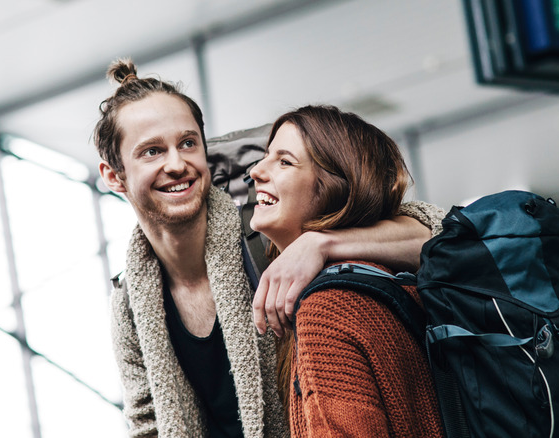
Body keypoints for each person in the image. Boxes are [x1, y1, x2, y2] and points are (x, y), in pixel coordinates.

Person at [94, 59, 444, 438]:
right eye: (152, 152)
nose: (177, 164)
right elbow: (147, 422)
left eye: (188, 143)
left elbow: (439, 232)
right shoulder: (131, 303)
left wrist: (321, 243)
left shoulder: (267, 232)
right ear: (114, 176)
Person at [249, 105, 446, 437]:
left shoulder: (327, 309)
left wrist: (319, 243)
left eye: (285, 161)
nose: (256, 171)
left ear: (332, 189)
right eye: (266, 156)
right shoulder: (394, 283)